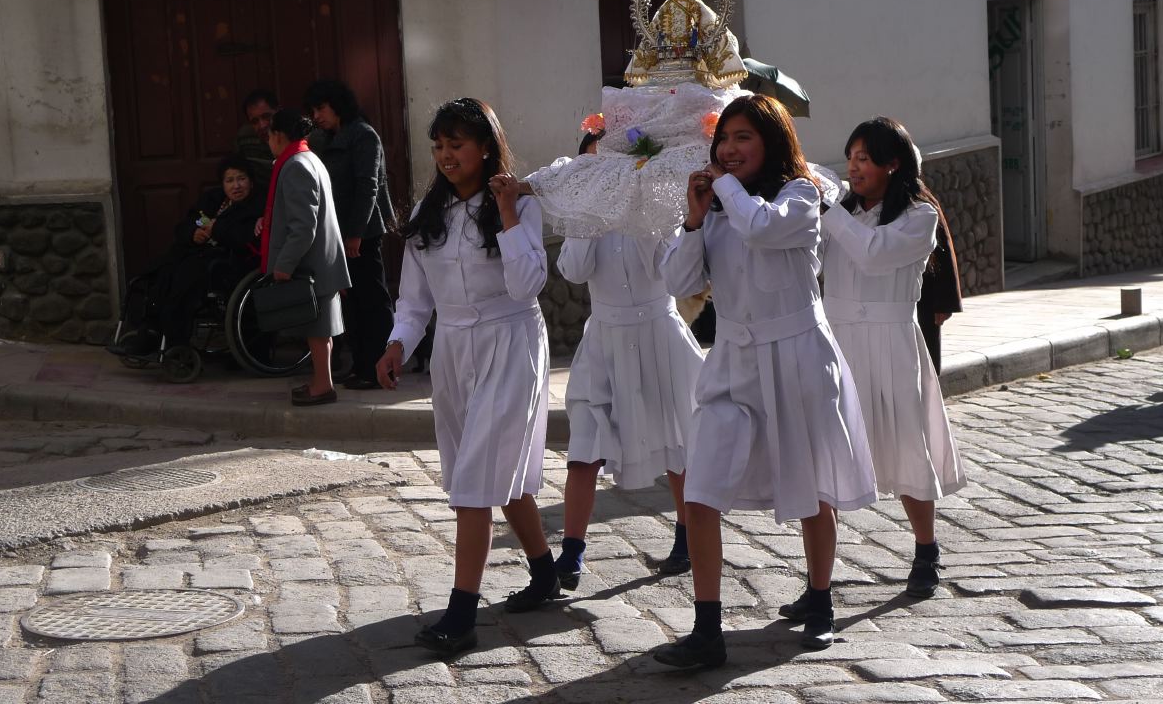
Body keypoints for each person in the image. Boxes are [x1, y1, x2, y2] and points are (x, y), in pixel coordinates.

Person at [653, 95, 877, 668]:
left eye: (743, 137)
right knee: (700, 489)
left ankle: (821, 599)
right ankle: (707, 628)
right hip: (733, 362)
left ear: (772, 143)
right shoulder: (719, 209)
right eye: (723, 138)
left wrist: (724, 191)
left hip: (798, 356)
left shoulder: (803, 196)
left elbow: (762, 229)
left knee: (810, 486)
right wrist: (694, 219)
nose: (729, 149)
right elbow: (679, 281)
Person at [375, 97, 558, 657]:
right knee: (482, 471)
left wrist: (506, 213)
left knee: (479, 476)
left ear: (485, 146)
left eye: (457, 143)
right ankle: (546, 573)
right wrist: (397, 345)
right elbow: (414, 300)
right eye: (439, 145)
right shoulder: (428, 216)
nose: (446, 154)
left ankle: (461, 611)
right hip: (454, 351)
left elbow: (529, 283)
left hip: (512, 340)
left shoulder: (520, 205)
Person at [817, 117, 965, 600]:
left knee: (906, 444)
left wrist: (827, 210)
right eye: (851, 157)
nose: (853, 167)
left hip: (892, 340)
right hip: (837, 341)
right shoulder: (838, 209)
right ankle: (819, 577)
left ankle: (926, 548)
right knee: (827, 452)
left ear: (891, 163)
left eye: (864, 158)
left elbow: (873, 255)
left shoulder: (918, 215)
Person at [554, 126, 705, 591]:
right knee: (584, 443)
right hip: (605, 336)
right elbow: (574, 270)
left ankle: (687, 535)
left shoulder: (654, 211)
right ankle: (572, 551)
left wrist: (643, 215)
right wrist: (590, 217)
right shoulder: (585, 219)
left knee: (677, 438)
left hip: (656, 332)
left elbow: (673, 272)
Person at [112, 155, 264, 357]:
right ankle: (149, 330)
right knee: (161, 272)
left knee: (185, 278)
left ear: (251, 182)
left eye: (241, 179)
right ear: (222, 184)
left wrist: (216, 228)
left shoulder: (256, 207)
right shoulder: (213, 199)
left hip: (226, 263)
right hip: (197, 254)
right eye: (230, 180)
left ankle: (175, 340)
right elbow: (189, 222)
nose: (236, 185)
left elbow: (244, 238)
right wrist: (193, 233)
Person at [303, 79, 395, 391]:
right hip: (338, 234)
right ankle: (360, 365)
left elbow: (367, 185)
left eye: (321, 108)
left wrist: (355, 232)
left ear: (337, 104)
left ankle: (379, 368)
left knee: (372, 300)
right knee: (351, 303)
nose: (317, 115)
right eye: (313, 110)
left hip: (363, 233)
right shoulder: (324, 139)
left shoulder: (364, 135)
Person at [262, 108, 350, 406]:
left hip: (311, 262)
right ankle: (320, 381)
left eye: (268, 134)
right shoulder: (309, 159)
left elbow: (303, 225)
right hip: (321, 259)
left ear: (278, 136)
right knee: (319, 329)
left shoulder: (296, 165)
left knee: (317, 329)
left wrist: (283, 265)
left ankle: (322, 385)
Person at [916, 215, 962, 373]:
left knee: (926, 354)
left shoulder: (922, 203)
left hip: (925, 291)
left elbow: (943, 251)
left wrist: (945, 303)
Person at [236, 89, 278, 188]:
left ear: (278, 111)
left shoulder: (297, 135)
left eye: (266, 117)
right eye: (255, 121)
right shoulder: (244, 139)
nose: (262, 125)